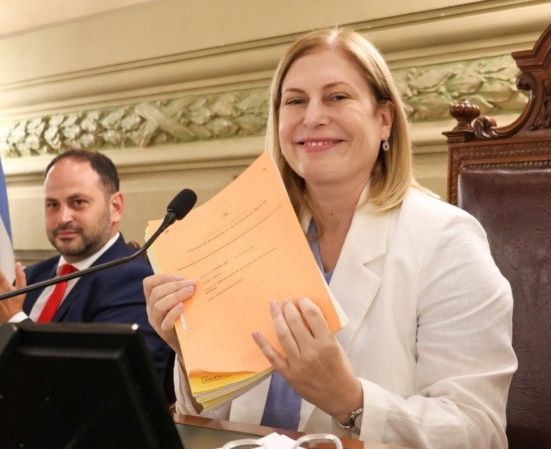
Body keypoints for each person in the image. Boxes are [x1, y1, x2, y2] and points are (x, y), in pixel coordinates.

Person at [144, 28, 516, 448]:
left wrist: (351, 402)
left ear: (384, 120)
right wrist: (192, 352)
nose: (313, 117)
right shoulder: (246, 236)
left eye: (337, 97)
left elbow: (479, 432)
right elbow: (215, 424)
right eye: (295, 101)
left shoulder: (447, 241)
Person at [0, 149, 173, 383]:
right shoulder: (33, 276)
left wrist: (11, 318)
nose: (63, 218)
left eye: (78, 202)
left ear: (115, 207)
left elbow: (108, 384)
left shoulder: (135, 280)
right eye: (52, 205)